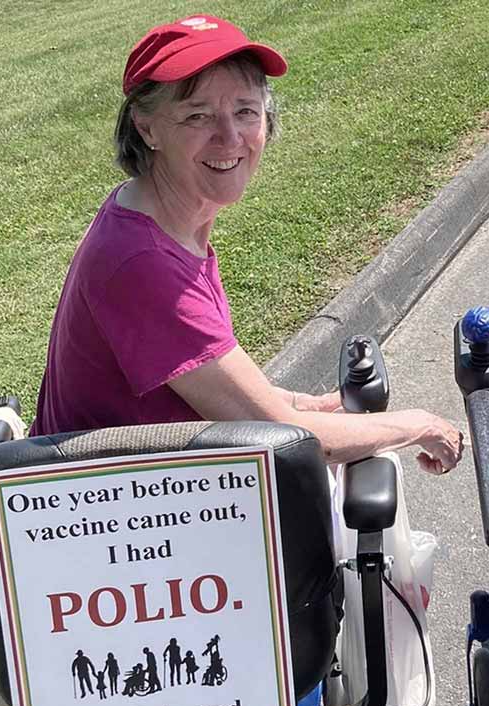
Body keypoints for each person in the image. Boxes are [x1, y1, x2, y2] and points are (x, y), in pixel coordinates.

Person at [29, 15, 462, 476]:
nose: (230, 137)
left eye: (245, 111)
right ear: (147, 128)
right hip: (114, 514)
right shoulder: (143, 261)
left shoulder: (153, 214)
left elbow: (207, 382)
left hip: (149, 480)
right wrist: (422, 424)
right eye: (198, 115)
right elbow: (290, 439)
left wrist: (307, 403)